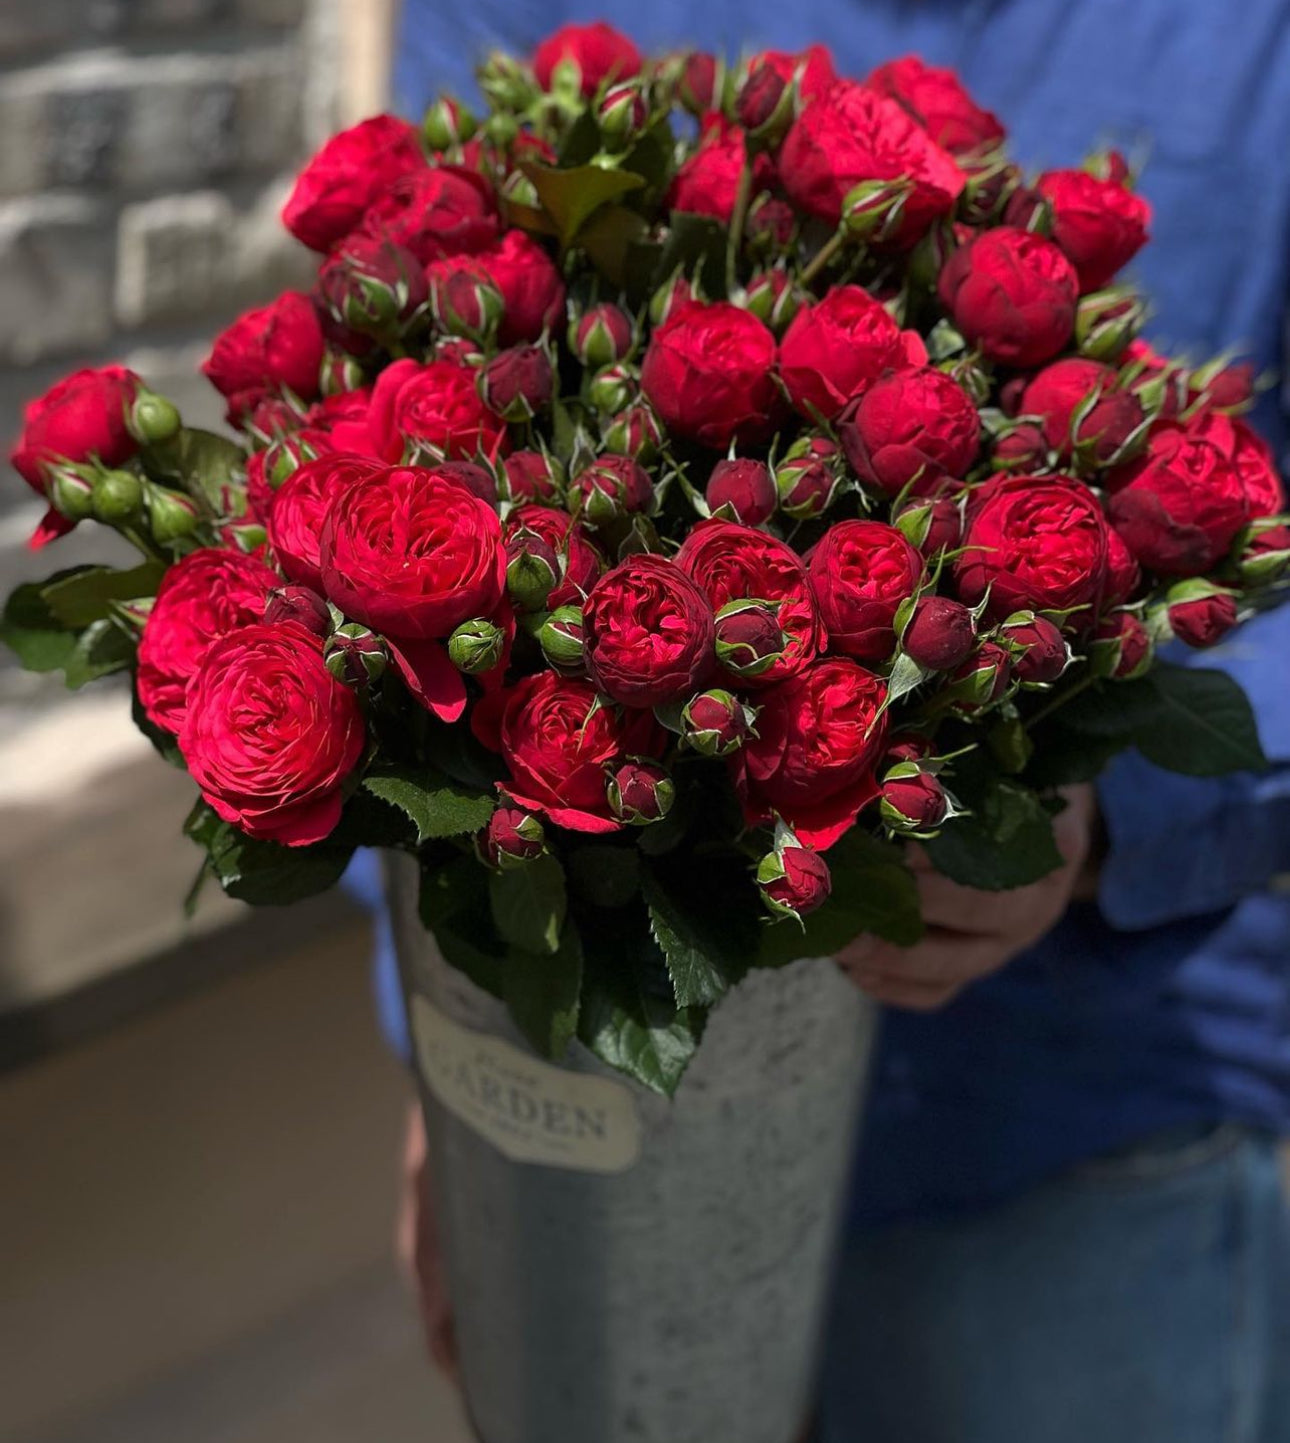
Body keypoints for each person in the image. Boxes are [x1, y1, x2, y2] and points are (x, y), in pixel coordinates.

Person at [369, 4, 1290, 1439]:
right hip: (592, 1131)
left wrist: (1115, 804)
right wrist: (456, 1057)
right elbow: (386, 497)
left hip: (1065, 1135)